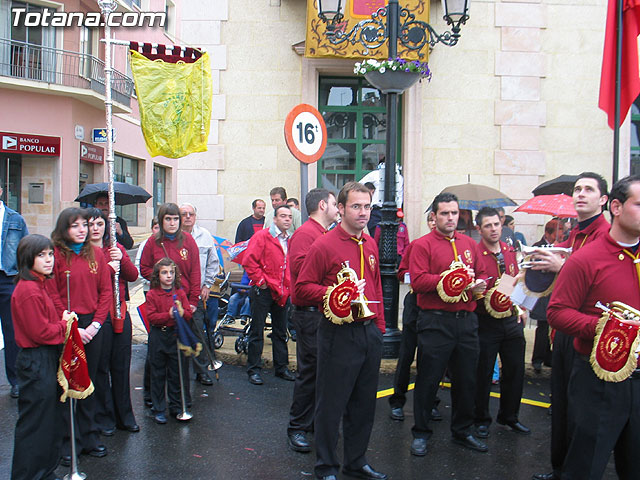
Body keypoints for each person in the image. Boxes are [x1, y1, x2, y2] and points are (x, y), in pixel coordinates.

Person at [546, 174, 640, 480]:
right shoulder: (586, 259)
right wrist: (606, 328)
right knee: (586, 465)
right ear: (616, 206)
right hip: (597, 378)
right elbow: (557, 313)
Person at [296, 181, 387, 480]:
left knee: (363, 404)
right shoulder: (323, 245)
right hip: (337, 334)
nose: (363, 213)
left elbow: (376, 287)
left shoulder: (371, 243)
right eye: (356, 206)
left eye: (368, 207)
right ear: (342, 209)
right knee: (331, 404)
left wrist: (380, 329)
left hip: (368, 333)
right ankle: (327, 466)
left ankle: (356, 461)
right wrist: (336, 292)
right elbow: (301, 290)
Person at [531, 172, 610, 480]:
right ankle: (559, 468)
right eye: (577, 189)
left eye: (588, 189)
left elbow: (598, 276)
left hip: (588, 329)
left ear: (604, 201)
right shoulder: (575, 234)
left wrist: (561, 265)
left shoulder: (607, 234)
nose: (580, 194)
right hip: (562, 329)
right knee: (561, 405)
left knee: (583, 410)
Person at [409, 192, 488, 457]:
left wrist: (479, 284)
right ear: (434, 216)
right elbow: (418, 281)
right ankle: (420, 432)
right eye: (445, 213)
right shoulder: (423, 245)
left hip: (466, 321)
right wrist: (448, 280)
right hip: (435, 321)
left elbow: (484, 272)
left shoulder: (469, 243)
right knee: (428, 379)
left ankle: (462, 430)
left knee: (467, 380)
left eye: (454, 213)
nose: (451, 218)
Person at [50, 207, 112, 464]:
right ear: (64, 228)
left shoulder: (97, 253)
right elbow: (52, 294)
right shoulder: (55, 256)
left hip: (92, 327)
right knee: (67, 385)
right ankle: (67, 440)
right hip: (67, 325)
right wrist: (71, 326)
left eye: (84, 225)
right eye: (75, 226)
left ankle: (89, 435)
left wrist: (95, 325)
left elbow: (106, 292)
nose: (82, 230)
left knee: (89, 383)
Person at [10, 234, 72, 480]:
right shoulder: (28, 290)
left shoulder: (40, 284)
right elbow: (41, 332)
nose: (48, 260)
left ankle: (45, 471)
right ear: (28, 258)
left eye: (49, 254)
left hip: (46, 357)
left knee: (50, 421)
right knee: (35, 423)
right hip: (36, 359)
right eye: (41, 255)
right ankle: (28, 474)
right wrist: (63, 325)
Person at [286, 188, 339, 453]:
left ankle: (314, 422)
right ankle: (296, 427)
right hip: (310, 314)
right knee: (309, 373)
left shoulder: (321, 234)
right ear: (322, 205)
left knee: (322, 373)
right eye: (333, 203)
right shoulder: (305, 234)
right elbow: (301, 271)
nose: (338, 208)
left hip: (322, 313)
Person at [472, 207, 530, 439]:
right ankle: (481, 419)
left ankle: (510, 416)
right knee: (483, 372)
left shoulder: (509, 251)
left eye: (496, 224)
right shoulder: (474, 253)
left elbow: (516, 281)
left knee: (515, 370)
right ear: (479, 229)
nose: (494, 229)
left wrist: (521, 307)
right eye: (488, 225)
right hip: (485, 321)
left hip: (510, 320)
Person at [140, 203, 201, 410]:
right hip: (159, 300)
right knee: (156, 358)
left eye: (176, 219)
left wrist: (193, 301)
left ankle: (180, 398)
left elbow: (195, 272)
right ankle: (152, 397)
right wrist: (161, 280)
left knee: (181, 356)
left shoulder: (189, 241)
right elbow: (144, 267)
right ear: (161, 220)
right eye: (168, 219)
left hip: (182, 302)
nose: (172, 223)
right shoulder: (152, 242)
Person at [87, 209, 139, 436]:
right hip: (97, 316)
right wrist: (106, 271)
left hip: (119, 312)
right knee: (100, 368)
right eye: (91, 224)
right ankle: (104, 416)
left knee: (120, 365)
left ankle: (124, 415)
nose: (96, 228)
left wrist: (121, 259)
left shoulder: (115, 248)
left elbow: (133, 275)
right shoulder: (83, 254)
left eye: (100, 223)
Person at [389, 211, 443, 423]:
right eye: (429, 220)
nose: (432, 224)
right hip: (415, 304)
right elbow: (401, 272)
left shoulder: (447, 248)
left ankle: (431, 402)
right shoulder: (417, 246)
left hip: (434, 307)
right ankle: (397, 401)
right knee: (406, 356)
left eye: (434, 220)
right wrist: (417, 276)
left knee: (430, 359)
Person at [242, 205, 295, 385]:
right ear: (275, 219)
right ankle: (253, 369)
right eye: (283, 216)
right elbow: (249, 261)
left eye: (289, 216)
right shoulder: (262, 237)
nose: (287, 219)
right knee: (257, 331)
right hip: (263, 290)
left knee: (280, 331)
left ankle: (281, 368)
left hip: (282, 291)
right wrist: (261, 282)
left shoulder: (290, 240)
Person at [146, 258, 193, 424]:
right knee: (158, 372)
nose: (169, 276)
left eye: (171, 272)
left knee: (176, 372)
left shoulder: (179, 293)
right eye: (164, 273)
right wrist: (169, 315)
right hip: (159, 336)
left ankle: (176, 405)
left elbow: (188, 313)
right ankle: (158, 408)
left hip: (175, 336)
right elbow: (151, 317)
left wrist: (181, 312)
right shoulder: (152, 294)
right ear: (158, 275)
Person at [180, 202, 220, 386]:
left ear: (195, 216)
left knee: (198, 333)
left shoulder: (205, 236)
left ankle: (201, 371)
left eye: (191, 214)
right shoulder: (173, 237)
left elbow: (213, 262)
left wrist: (207, 285)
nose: (187, 217)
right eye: (184, 214)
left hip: (197, 294)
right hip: (177, 295)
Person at [0, 183, 29, 400]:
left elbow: (25, 251)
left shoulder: (15, 219)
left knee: (11, 334)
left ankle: (16, 380)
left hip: (7, 279)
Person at [135, 216, 159, 408]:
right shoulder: (148, 244)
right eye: (156, 226)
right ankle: (151, 395)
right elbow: (139, 267)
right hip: (150, 289)